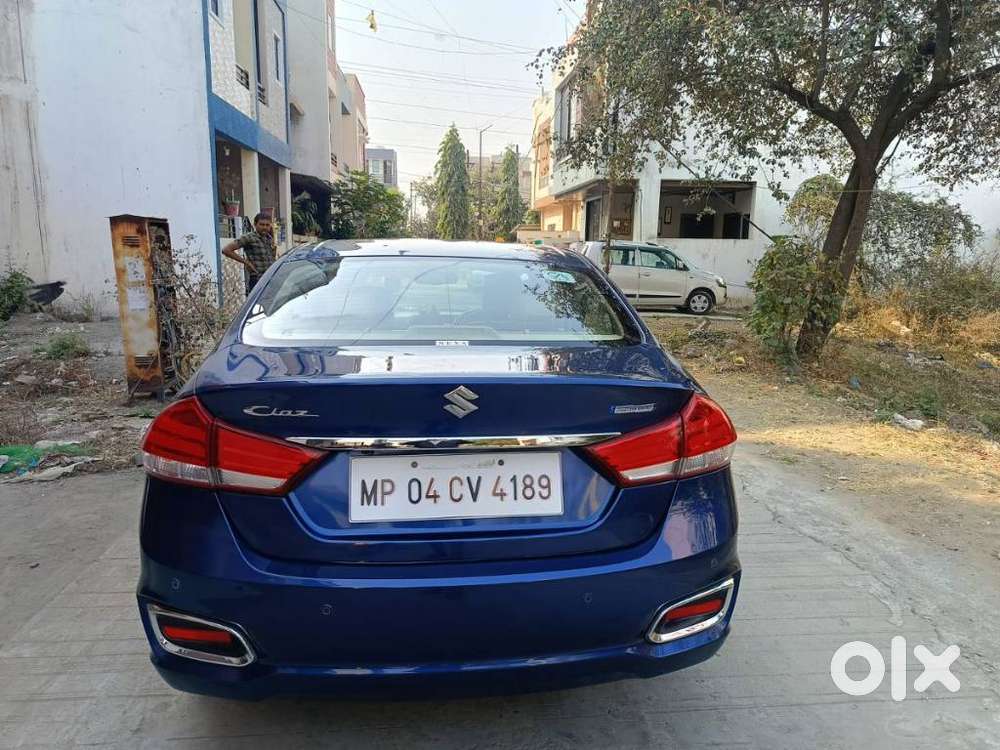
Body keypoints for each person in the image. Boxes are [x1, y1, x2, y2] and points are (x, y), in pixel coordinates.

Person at [222, 213, 277, 294]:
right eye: (262, 224)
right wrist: (246, 262)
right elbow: (226, 250)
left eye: (267, 225)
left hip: (271, 279)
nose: (265, 227)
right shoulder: (249, 237)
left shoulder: (269, 238)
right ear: (255, 224)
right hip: (257, 280)